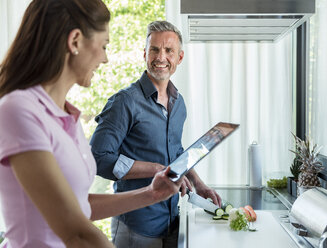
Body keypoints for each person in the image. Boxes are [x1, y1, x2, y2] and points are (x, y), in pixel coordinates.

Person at [0, 1, 189, 247]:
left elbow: (80, 205)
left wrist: (151, 193)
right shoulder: (20, 110)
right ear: (75, 41)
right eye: (103, 45)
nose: (105, 58)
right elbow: (75, 231)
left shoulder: (68, 117)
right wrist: (153, 169)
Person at [90, 20, 222, 248]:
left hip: (170, 218)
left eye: (169, 50)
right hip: (136, 222)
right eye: (154, 49)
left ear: (179, 58)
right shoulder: (125, 102)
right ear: (145, 54)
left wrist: (198, 183)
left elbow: (175, 151)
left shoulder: (179, 103)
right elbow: (99, 158)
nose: (161, 57)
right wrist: (158, 169)